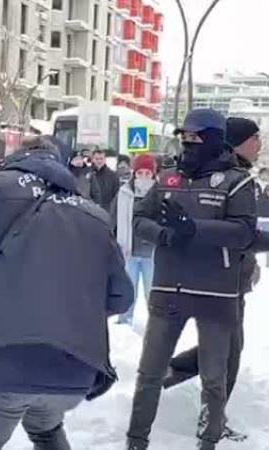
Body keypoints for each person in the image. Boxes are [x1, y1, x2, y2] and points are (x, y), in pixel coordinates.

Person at [0, 136, 133, 450]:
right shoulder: (93, 214)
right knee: (45, 427)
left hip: (5, 362)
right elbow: (121, 297)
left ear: (19, 157)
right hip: (75, 368)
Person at [126, 109, 257, 450]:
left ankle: (209, 441)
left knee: (215, 379)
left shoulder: (237, 181)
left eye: (196, 137)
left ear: (214, 139)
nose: (187, 143)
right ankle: (136, 441)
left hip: (217, 292)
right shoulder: (169, 177)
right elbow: (139, 219)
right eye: (183, 136)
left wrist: (195, 229)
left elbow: (243, 232)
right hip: (169, 288)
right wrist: (165, 235)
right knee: (149, 373)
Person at [161, 117, 264, 443]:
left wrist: (248, 259)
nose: (260, 145)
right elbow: (233, 232)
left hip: (228, 277)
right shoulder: (226, 177)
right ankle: (208, 419)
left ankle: (165, 373)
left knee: (225, 348)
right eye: (255, 139)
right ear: (236, 142)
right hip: (221, 281)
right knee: (228, 353)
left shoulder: (234, 174)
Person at [112, 153, 158, 325]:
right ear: (134, 173)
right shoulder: (125, 192)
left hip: (152, 253)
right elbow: (115, 217)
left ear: (153, 174)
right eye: (140, 173)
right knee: (128, 288)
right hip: (129, 249)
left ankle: (155, 322)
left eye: (148, 173)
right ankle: (124, 320)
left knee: (151, 291)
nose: (144, 177)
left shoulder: (159, 193)